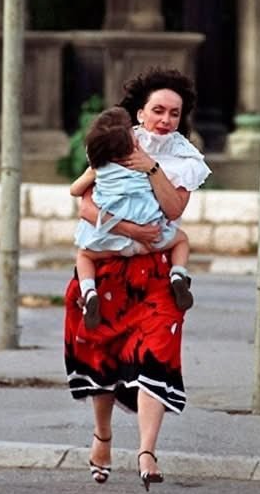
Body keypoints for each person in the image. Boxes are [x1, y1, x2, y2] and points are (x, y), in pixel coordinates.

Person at [64, 67, 210, 492]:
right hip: (110, 262)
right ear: (141, 112)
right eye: (158, 110)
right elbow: (84, 206)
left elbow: (174, 210)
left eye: (174, 113)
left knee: (157, 353)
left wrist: (151, 168)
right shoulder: (114, 142)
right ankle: (102, 437)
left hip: (157, 274)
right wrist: (133, 231)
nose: (165, 119)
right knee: (102, 357)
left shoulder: (184, 158)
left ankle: (147, 451)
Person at [69, 107, 195, 330]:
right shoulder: (146, 166)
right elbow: (167, 204)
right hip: (151, 238)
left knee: (84, 255)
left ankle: (89, 292)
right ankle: (178, 274)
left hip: (109, 241)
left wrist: (91, 172)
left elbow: (76, 191)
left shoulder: (100, 168)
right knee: (181, 239)